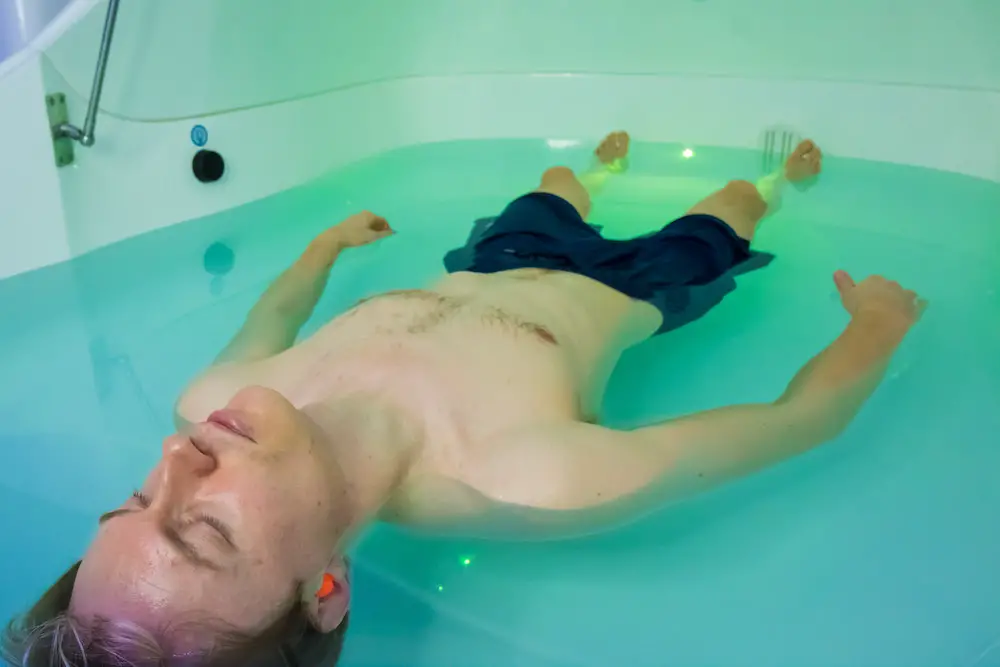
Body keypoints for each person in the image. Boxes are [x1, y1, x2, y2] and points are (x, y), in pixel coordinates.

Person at [3, 132, 925, 666]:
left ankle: (599, 167)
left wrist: (324, 247)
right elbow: (799, 421)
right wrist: (877, 327)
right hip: (637, 287)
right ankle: (778, 180)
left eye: (134, 498)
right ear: (326, 589)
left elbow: (270, 316)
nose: (176, 456)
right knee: (732, 205)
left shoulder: (214, 402)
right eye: (203, 527)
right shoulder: (530, 476)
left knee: (557, 184)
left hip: (496, 258)